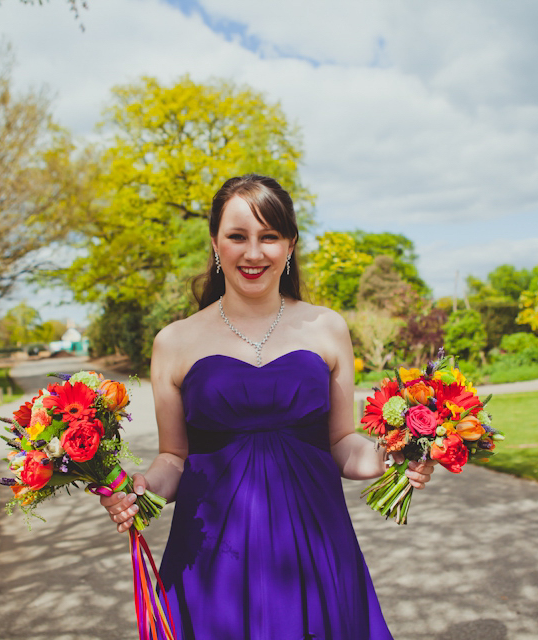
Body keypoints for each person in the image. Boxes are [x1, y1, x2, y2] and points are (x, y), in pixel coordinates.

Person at [101, 174, 435, 639]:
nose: (253, 253)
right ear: (216, 243)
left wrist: (395, 453)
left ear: (291, 244)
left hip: (316, 544)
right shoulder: (174, 341)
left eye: (269, 237)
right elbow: (174, 458)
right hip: (213, 556)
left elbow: (341, 442)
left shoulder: (327, 327)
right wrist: (140, 487)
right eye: (237, 236)